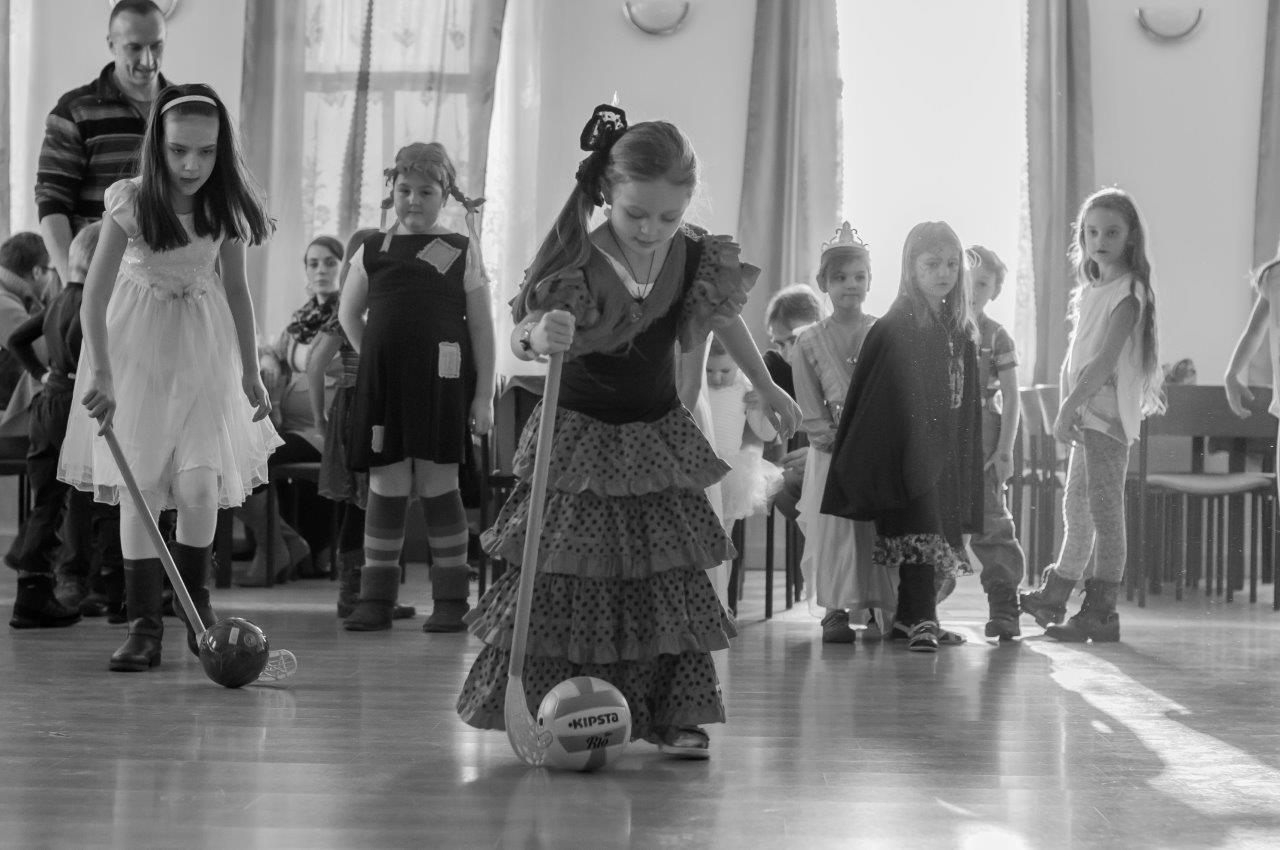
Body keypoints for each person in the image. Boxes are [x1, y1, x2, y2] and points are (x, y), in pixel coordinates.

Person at [456, 105, 800, 758]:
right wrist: (538, 337)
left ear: (687, 204)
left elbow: (722, 316)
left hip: (656, 433)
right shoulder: (576, 256)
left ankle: (671, 715)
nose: (650, 230)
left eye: (668, 217)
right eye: (635, 213)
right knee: (571, 576)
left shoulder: (694, 254)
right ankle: (555, 709)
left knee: (663, 578)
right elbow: (525, 329)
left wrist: (765, 381)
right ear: (607, 193)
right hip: (577, 439)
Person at [57, 83, 278, 672]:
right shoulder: (130, 201)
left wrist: (251, 371)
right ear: (157, 145)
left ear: (221, 151)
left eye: (206, 152)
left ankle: (194, 608)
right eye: (179, 150)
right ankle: (143, 625)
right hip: (135, 352)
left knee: (201, 487)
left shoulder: (224, 205)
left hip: (202, 349)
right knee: (143, 489)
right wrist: (102, 372)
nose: (191, 165)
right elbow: (94, 296)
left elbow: (238, 292)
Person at [338, 142, 495, 634]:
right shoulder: (373, 249)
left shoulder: (463, 250)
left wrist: (483, 396)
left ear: (445, 195)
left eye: (426, 192)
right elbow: (348, 313)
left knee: (438, 484)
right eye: (405, 190)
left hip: (442, 389)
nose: (413, 200)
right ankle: (376, 598)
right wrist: (377, 357)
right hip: (385, 390)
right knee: (386, 486)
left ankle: (451, 600)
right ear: (392, 190)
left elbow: (482, 328)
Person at [821, 221, 983, 653]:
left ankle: (913, 619)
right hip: (907, 454)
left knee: (935, 536)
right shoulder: (896, 327)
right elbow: (883, 400)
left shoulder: (958, 327)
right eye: (932, 264)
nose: (944, 273)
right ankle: (920, 618)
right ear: (912, 267)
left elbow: (963, 399)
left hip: (944, 453)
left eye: (952, 264)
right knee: (920, 533)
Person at [1018, 189, 1163, 642]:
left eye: (1112, 232)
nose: (1100, 240)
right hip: (1088, 416)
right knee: (1077, 504)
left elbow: (1104, 360)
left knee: (1104, 509)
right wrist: (1073, 403)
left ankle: (1101, 612)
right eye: (1093, 232)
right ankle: (1056, 594)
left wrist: (1068, 404)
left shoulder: (1130, 291)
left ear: (1130, 237)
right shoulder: (1093, 289)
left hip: (1105, 416)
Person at [8, 223, 126, 629]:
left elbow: (17, 340)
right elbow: (89, 353)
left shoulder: (57, 300)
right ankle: (113, 590)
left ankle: (31, 592)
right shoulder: (93, 304)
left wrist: (42, 374)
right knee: (106, 496)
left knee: (47, 502)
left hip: (47, 406)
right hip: (77, 408)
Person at [308, 228, 414, 621]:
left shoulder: (381, 308)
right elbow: (315, 366)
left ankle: (371, 592)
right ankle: (356, 593)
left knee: (374, 502)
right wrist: (319, 417)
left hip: (375, 409)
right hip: (360, 410)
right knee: (363, 504)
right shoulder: (351, 312)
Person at [231, 236, 346, 586]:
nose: (321, 270)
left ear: (344, 268)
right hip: (293, 428)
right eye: (313, 263)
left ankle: (275, 546)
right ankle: (287, 542)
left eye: (330, 262)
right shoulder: (302, 320)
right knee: (235, 453)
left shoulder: (350, 317)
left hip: (325, 430)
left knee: (251, 458)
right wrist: (267, 363)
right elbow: (272, 351)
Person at [35, 0, 171, 284]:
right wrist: (73, 285)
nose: (148, 60)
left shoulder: (180, 111)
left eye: (156, 45)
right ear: (111, 44)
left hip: (163, 280)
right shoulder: (75, 111)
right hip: (94, 276)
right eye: (134, 47)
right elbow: (52, 204)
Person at [792, 222, 882, 643]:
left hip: (876, 450)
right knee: (836, 529)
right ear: (823, 283)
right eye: (841, 277)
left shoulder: (883, 332)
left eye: (859, 277)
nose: (851, 285)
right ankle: (834, 609)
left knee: (874, 529)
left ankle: (877, 606)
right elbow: (810, 405)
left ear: (870, 281)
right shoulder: (808, 341)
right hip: (831, 452)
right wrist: (831, 439)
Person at [965, 245, 1027, 640]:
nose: (973, 291)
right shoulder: (937, 330)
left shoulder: (996, 336)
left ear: (994, 291)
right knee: (936, 525)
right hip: (944, 440)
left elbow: (1012, 396)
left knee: (992, 521)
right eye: (967, 282)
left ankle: (1004, 604)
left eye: (983, 284)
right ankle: (920, 606)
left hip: (985, 439)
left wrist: (1004, 450)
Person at [704, 337, 782, 523]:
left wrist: (764, 408)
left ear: (738, 365)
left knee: (724, 524)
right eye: (708, 370)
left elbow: (767, 434)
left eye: (725, 371)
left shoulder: (746, 390)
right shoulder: (695, 387)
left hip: (729, 470)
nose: (716, 378)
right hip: (697, 463)